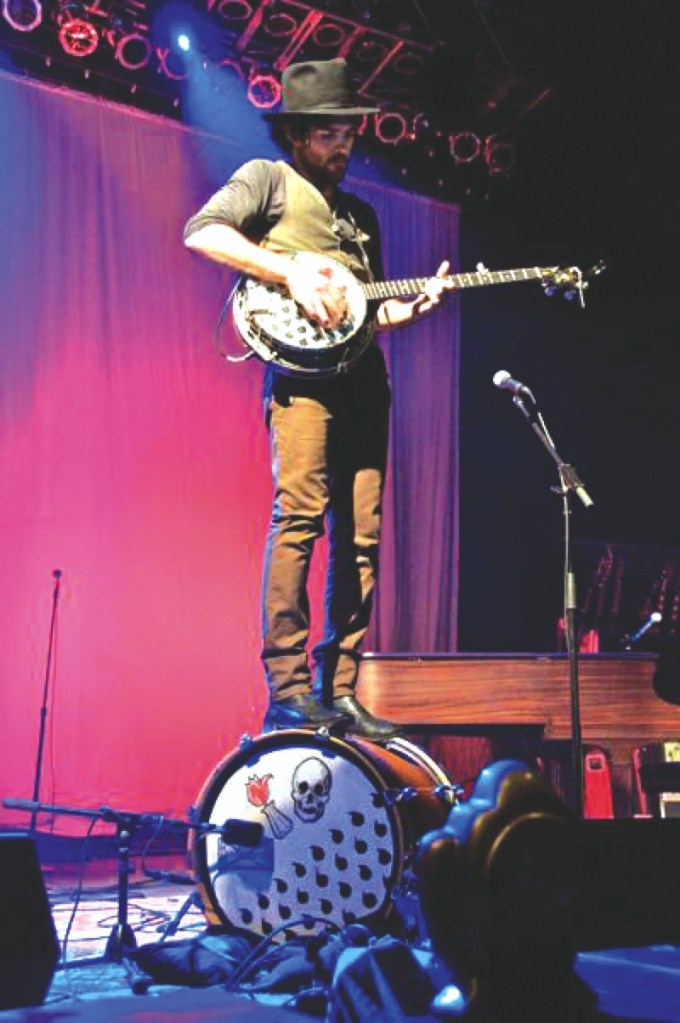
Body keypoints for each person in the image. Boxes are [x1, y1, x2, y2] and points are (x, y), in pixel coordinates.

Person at [184, 58, 452, 741]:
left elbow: (367, 311)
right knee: (299, 516)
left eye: (347, 133)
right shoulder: (266, 180)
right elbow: (203, 232)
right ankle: (289, 688)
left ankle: (340, 688)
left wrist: (411, 310)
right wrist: (290, 271)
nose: (343, 145)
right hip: (302, 383)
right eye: (329, 134)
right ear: (298, 135)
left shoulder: (360, 215)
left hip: (364, 380)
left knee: (362, 538)